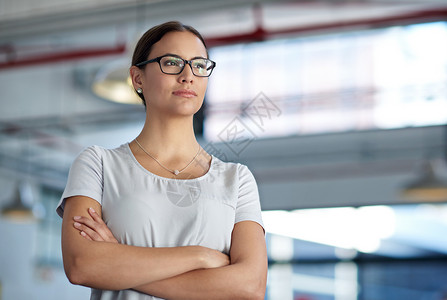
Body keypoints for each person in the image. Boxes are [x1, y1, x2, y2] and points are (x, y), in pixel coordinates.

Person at [57, 21, 267, 300]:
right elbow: (82, 265)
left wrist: (119, 265)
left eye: (199, 65)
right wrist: (201, 257)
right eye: (171, 63)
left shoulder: (237, 180)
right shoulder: (98, 165)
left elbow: (250, 286)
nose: (188, 76)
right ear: (137, 78)